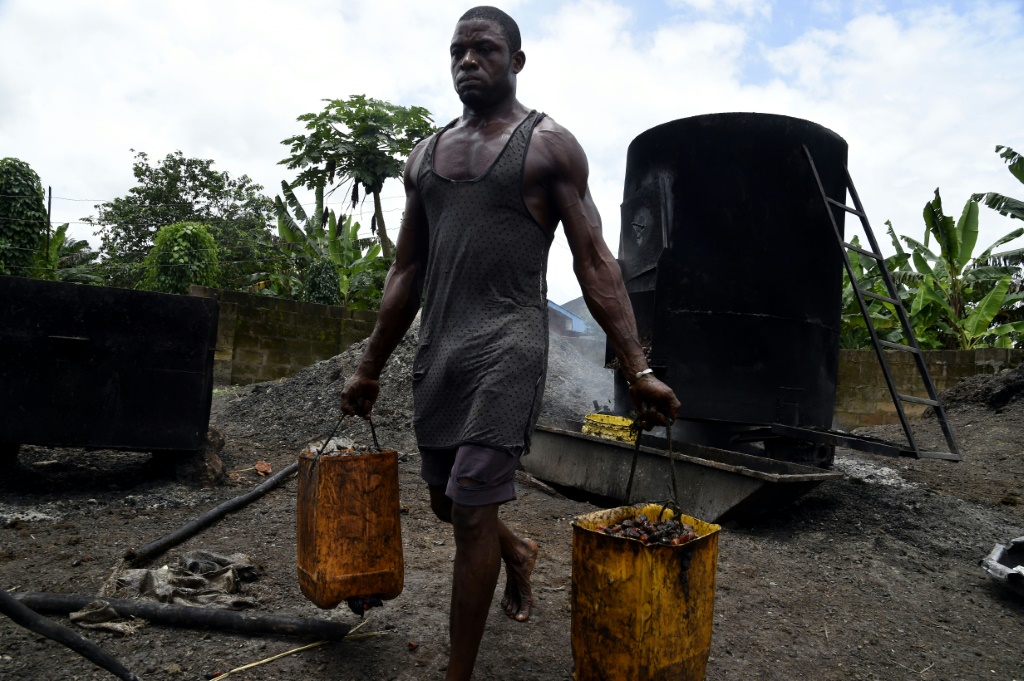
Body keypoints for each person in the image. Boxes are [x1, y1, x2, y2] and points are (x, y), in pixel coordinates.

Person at [340, 6, 680, 679]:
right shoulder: (425, 159)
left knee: (469, 510)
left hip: (509, 346)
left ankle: (457, 671)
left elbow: (594, 260)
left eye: (485, 50)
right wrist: (369, 366)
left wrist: (638, 366)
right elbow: (406, 270)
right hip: (440, 349)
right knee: (447, 499)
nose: (469, 61)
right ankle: (517, 551)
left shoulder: (548, 145)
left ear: (516, 61)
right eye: (458, 51)